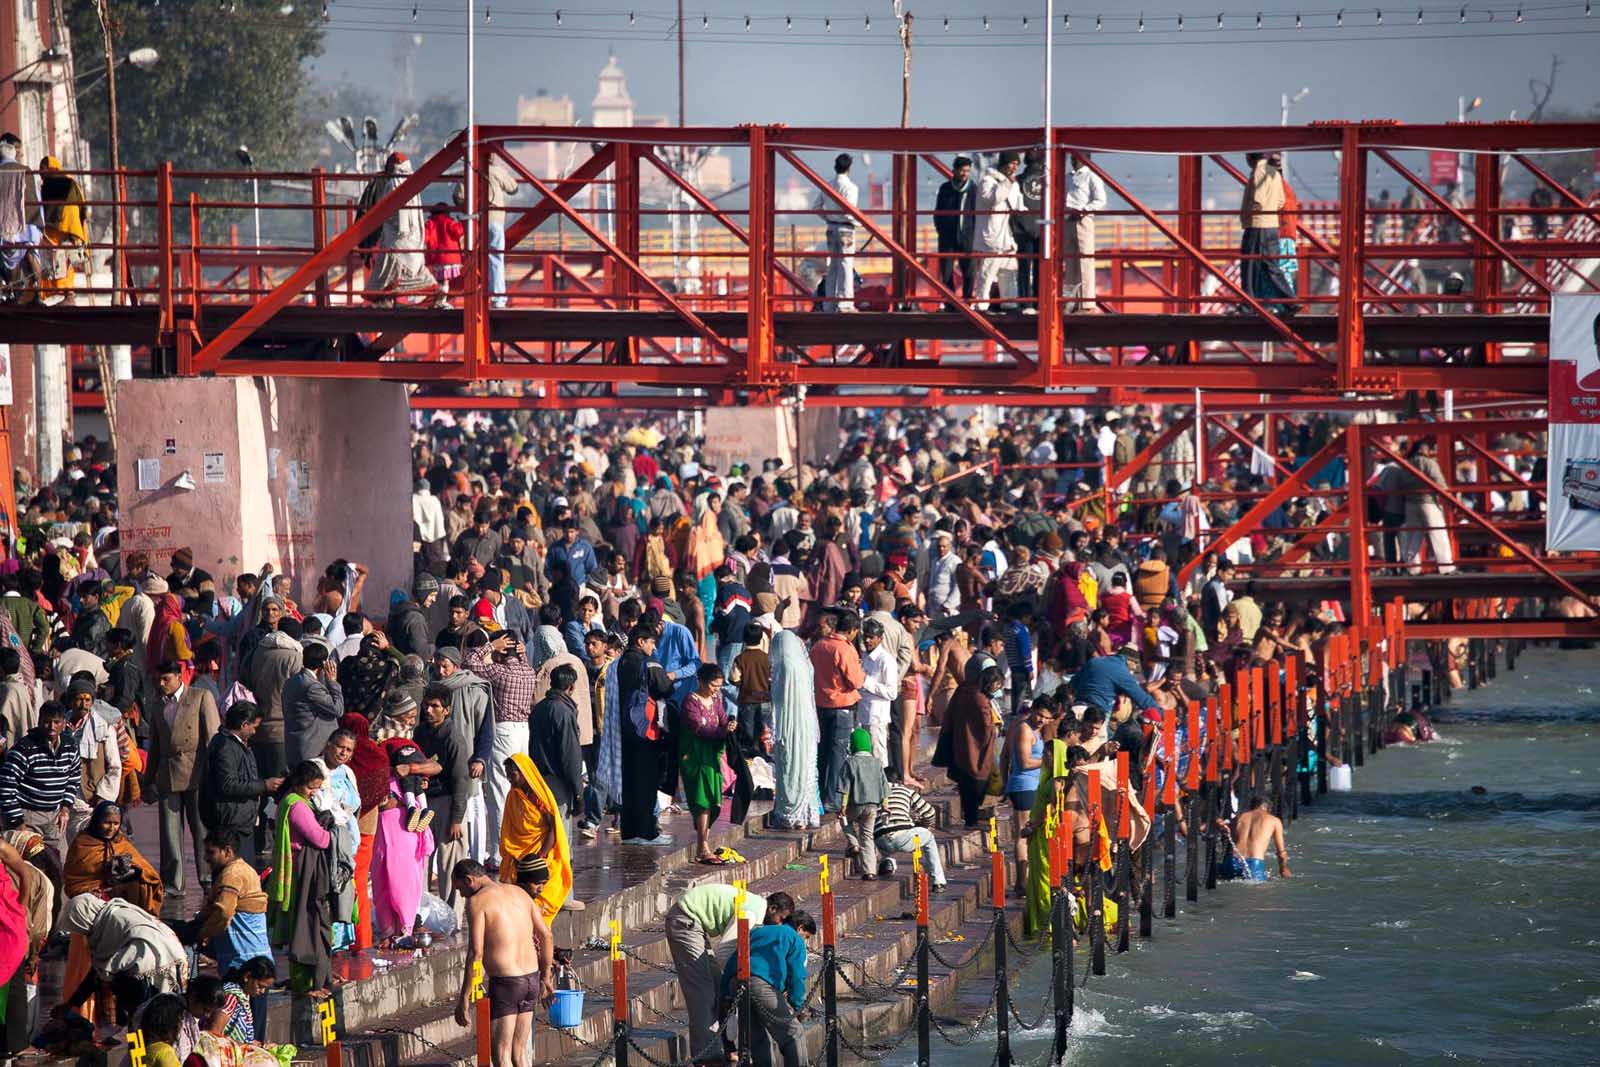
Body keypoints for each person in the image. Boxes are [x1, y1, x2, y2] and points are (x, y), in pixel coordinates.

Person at [664, 886, 790, 1065]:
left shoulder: (756, 910)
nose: (779, 925)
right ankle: (706, 1057)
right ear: (773, 909)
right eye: (780, 919)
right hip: (685, 920)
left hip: (695, 924)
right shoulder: (751, 913)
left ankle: (723, 1048)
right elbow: (724, 951)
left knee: (717, 989)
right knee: (703, 991)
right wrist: (739, 980)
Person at [451, 859, 555, 1067]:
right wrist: (546, 975)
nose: (462, 895)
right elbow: (546, 935)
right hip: (531, 980)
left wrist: (464, 997)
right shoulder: (519, 893)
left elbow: (476, 952)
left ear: (469, 880)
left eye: (460, 889)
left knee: (501, 1055)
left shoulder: (477, 902)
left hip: (507, 984)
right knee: (519, 1053)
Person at [56, 894, 188, 1026]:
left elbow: (99, 973)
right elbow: (98, 972)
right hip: (167, 960)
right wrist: (72, 1004)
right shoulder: (112, 915)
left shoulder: (110, 924)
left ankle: (140, 1046)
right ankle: (144, 1044)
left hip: (148, 969)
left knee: (142, 1021)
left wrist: (71, 1004)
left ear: (83, 918)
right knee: (157, 1018)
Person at [150, 660, 221, 903]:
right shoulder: (157, 705)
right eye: (158, 680)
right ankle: (173, 882)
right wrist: (149, 780)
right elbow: (156, 746)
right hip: (168, 773)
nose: (161, 685)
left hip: (197, 773)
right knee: (169, 834)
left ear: (178, 677)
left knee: (201, 829)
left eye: (166, 680)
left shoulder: (200, 697)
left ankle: (207, 877)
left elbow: (213, 737)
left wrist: (215, 774)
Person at [267, 760, 335, 994]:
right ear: (298, 783)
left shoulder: (289, 801)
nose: (313, 793)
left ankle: (308, 980)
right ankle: (305, 983)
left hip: (297, 869)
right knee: (305, 926)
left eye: (316, 788)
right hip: (302, 872)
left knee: (302, 923)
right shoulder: (297, 806)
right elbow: (319, 838)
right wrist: (332, 831)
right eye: (310, 788)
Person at [719, 911, 816, 1067]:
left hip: (735, 982)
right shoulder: (793, 937)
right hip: (760, 984)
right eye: (806, 936)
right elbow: (797, 975)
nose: (805, 941)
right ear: (800, 928)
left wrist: (724, 993)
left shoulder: (758, 931)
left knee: (756, 1037)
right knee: (793, 1033)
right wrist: (798, 1007)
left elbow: (733, 960)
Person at [616, 623, 676, 845]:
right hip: (645, 730)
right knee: (646, 782)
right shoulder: (648, 662)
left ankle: (630, 832)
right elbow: (665, 688)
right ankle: (647, 832)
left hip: (624, 728)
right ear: (641, 641)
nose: (654, 648)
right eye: (651, 642)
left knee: (629, 781)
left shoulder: (620, 662)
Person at [356, 152, 443, 306]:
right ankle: (435, 296)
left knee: (383, 275)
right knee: (415, 270)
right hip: (414, 240)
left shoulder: (391, 185)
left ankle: (382, 302)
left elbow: (383, 210)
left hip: (395, 240)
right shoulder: (413, 185)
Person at [415, 685, 473, 911]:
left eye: (435, 706)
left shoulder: (453, 736)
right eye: (426, 705)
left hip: (449, 802)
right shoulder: (421, 732)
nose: (429, 710)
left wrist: (457, 817)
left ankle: (452, 916)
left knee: (450, 863)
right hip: (426, 801)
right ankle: (422, 912)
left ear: (446, 710)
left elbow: (461, 778)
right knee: (423, 857)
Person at [182, 830, 270, 978]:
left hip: (242, 962)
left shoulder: (231, 874)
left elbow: (224, 913)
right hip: (256, 957)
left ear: (227, 851)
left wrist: (203, 934)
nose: (205, 858)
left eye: (211, 852)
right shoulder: (245, 869)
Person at [372, 743, 436, 944]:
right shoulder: (391, 779)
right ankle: (400, 930)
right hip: (397, 832)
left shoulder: (390, 779)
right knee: (397, 883)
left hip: (398, 833)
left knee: (394, 883)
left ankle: (398, 931)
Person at [496, 753, 573, 922]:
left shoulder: (537, 797)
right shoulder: (513, 796)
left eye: (513, 775)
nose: (510, 779)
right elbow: (510, 829)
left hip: (541, 852)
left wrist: (541, 857)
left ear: (524, 773)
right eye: (507, 775)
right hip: (518, 855)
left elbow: (553, 827)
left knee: (542, 893)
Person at [200, 701, 276, 866]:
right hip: (231, 821)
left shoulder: (236, 745)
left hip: (239, 819)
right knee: (235, 872)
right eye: (254, 727)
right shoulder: (226, 747)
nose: (254, 732)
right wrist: (264, 785)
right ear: (244, 725)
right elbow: (228, 784)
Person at [0, 700, 78, 859]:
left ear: (63, 723)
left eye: (56, 722)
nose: (52, 726)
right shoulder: (24, 749)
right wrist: (19, 824)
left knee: (60, 865)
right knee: (26, 869)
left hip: (53, 817)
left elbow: (73, 777)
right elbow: (6, 788)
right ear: (39, 722)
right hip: (26, 815)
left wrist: (65, 808)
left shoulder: (70, 747)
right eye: (47, 722)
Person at [680, 663, 735, 865]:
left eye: (719, 686)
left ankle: (704, 844)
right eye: (713, 685)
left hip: (711, 756)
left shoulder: (716, 699)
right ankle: (703, 847)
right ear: (701, 682)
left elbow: (721, 719)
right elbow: (698, 729)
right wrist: (722, 731)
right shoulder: (690, 702)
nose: (716, 690)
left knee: (712, 800)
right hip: (695, 758)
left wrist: (729, 724)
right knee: (702, 801)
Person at [810, 612, 864, 815]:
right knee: (837, 753)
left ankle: (822, 795)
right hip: (841, 705)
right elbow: (856, 681)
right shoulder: (844, 648)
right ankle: (833, 798)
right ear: (851, 631)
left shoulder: (818, 646)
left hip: (821, 705)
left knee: (823, 752)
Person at [768, 629, 820, 831]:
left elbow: (779, 702)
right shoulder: (804, 666)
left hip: (789, 727)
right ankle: (805, 814)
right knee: (805, 768)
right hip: (806, 725)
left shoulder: (784, 667)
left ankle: (789, 814)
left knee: (790, 768)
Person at [944, 666, 1001, 828]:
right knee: (976, 783)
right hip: (975, 747)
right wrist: (994, 727)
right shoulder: (980, 699)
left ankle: (971, 818)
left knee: (966, 783)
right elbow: (986, 724)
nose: (997, 690)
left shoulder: (964, 688)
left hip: (960, 743)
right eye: (996, 686)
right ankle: (971, 818)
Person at [1238, 152, 1295, 310]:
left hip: (1258, 225)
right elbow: (1280, 201)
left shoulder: (1259, 170)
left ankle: (1248, 305)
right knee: (1271, 266)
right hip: (1272, 226)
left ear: (1250, 158)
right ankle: (1289, 301)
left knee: (1249, 266)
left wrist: (1254, 210)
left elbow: (1259, 198)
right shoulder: (1274, 173)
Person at [1003, 701, 1047, 893]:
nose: (1042, 720)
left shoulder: (1036, 730)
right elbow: (1024, 762)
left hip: (1032, 785)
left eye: (1046, 717)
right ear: (1033, 711)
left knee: (1029, 834)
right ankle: (1021, 883)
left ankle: (1026, 881)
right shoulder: (1024, 729)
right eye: (1039, 715)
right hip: (1023, 786)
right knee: (1023, 834)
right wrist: (1046, 761)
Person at [874, 782, 946, 891]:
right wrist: (925, 826)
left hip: (880, 840)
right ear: (898, 780)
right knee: (929, 837)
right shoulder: (906, 791)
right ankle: (938, 881)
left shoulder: (874, 791)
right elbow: (930, 812)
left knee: (882, 831)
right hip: (903, 838)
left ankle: (887, 862)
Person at [974, 151, 1023, 310]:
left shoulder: (1013, 184)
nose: (1015, 167)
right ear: (1004, 163)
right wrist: (1007, 183)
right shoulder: (987, 181)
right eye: (1012, 163)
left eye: (1017, 164)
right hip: (993, 237)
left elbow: (1018, 207)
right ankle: (982, 306)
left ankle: (1009, 304)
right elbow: (992, 199)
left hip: (1007, 236)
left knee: (1009, 273)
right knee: (987, 273)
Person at [283, 641, 344, 767]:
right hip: (312, 749)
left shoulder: (291, 681)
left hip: (295, 745)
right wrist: (333, 682)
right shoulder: (312, 686)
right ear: (323, 663)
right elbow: (338, 709)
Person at [837, 727, 887, 879]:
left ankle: (853, 843)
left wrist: (843, 807)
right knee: (867, 836)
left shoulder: (850, 762)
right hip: (872, 806)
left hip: (855, 804)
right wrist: (885, 805)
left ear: (852, 745)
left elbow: (845, 789)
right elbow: (884, 786)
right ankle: (870, 871)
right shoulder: (877, 763)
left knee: (844, 821)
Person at [1062, 151, 1107, 312]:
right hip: (1067, 220)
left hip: (1083, 220)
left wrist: (1084, 209)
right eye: (1072, 158)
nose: (1073, 161)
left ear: (1085, 159)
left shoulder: (1092, 177)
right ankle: (1070, 303)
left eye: (1076, 158)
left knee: (1085, 261)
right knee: (1070, 262)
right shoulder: (1067, 177)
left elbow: (1101, 200)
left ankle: (1086, 303)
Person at [815, 152, 859, 312]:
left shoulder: (828, 185)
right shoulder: (851, 188)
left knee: (832, 266)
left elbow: (816, 207)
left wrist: (828, 218)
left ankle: (829, 304)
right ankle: (845, 303)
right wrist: (859, 222)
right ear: (849, 168)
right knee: (846, 265)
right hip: (846, 228)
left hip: (831, 228)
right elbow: (850, 212)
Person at [933, 155, 978, 303]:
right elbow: (938, 212)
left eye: (967, 171)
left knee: (969, 272)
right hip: (947, 237)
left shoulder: (973, 189)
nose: (965, 174)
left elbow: (977, 214)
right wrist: (941, 231)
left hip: (968, 237)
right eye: (962, 170)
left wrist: (973, 234)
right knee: (946, 272)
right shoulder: (945, 188)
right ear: (954, 171)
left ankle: (967, 301)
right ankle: (950, 303)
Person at [857, 618, 899, 766]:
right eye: (865, 636)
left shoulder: (886, 660)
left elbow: (892, 693)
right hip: (862, 715)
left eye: (871, 637)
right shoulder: (864, 657)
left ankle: (883, 786)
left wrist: (867, 682)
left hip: (877, 717)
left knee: (878, 756)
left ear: (880, 638)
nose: (868, 640)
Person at [1230, 795, 1291, 880]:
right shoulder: (1274, 821)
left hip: (1232, 861)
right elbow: (1281, 854)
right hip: (1254, 864)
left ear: (1251, 807)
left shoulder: (1238, 818)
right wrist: (1283, 869)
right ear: (1269, 809)